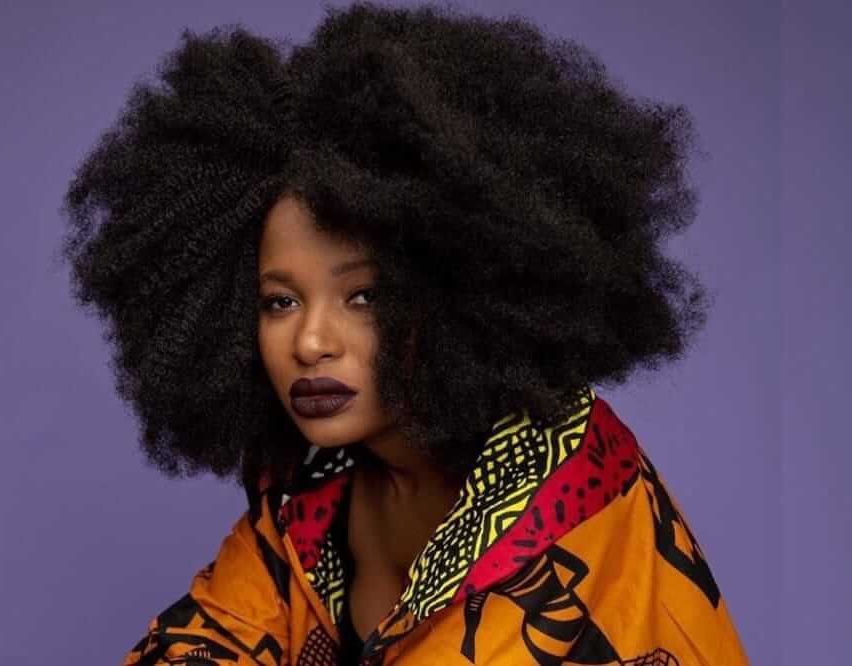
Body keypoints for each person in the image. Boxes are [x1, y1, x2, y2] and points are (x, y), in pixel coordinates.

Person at [59, 2, 748, 664]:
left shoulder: (578, 498)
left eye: (364, 297)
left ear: (455, 288)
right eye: (279, 302)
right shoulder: (312, 489)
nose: (310, 342)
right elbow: (212, 635)